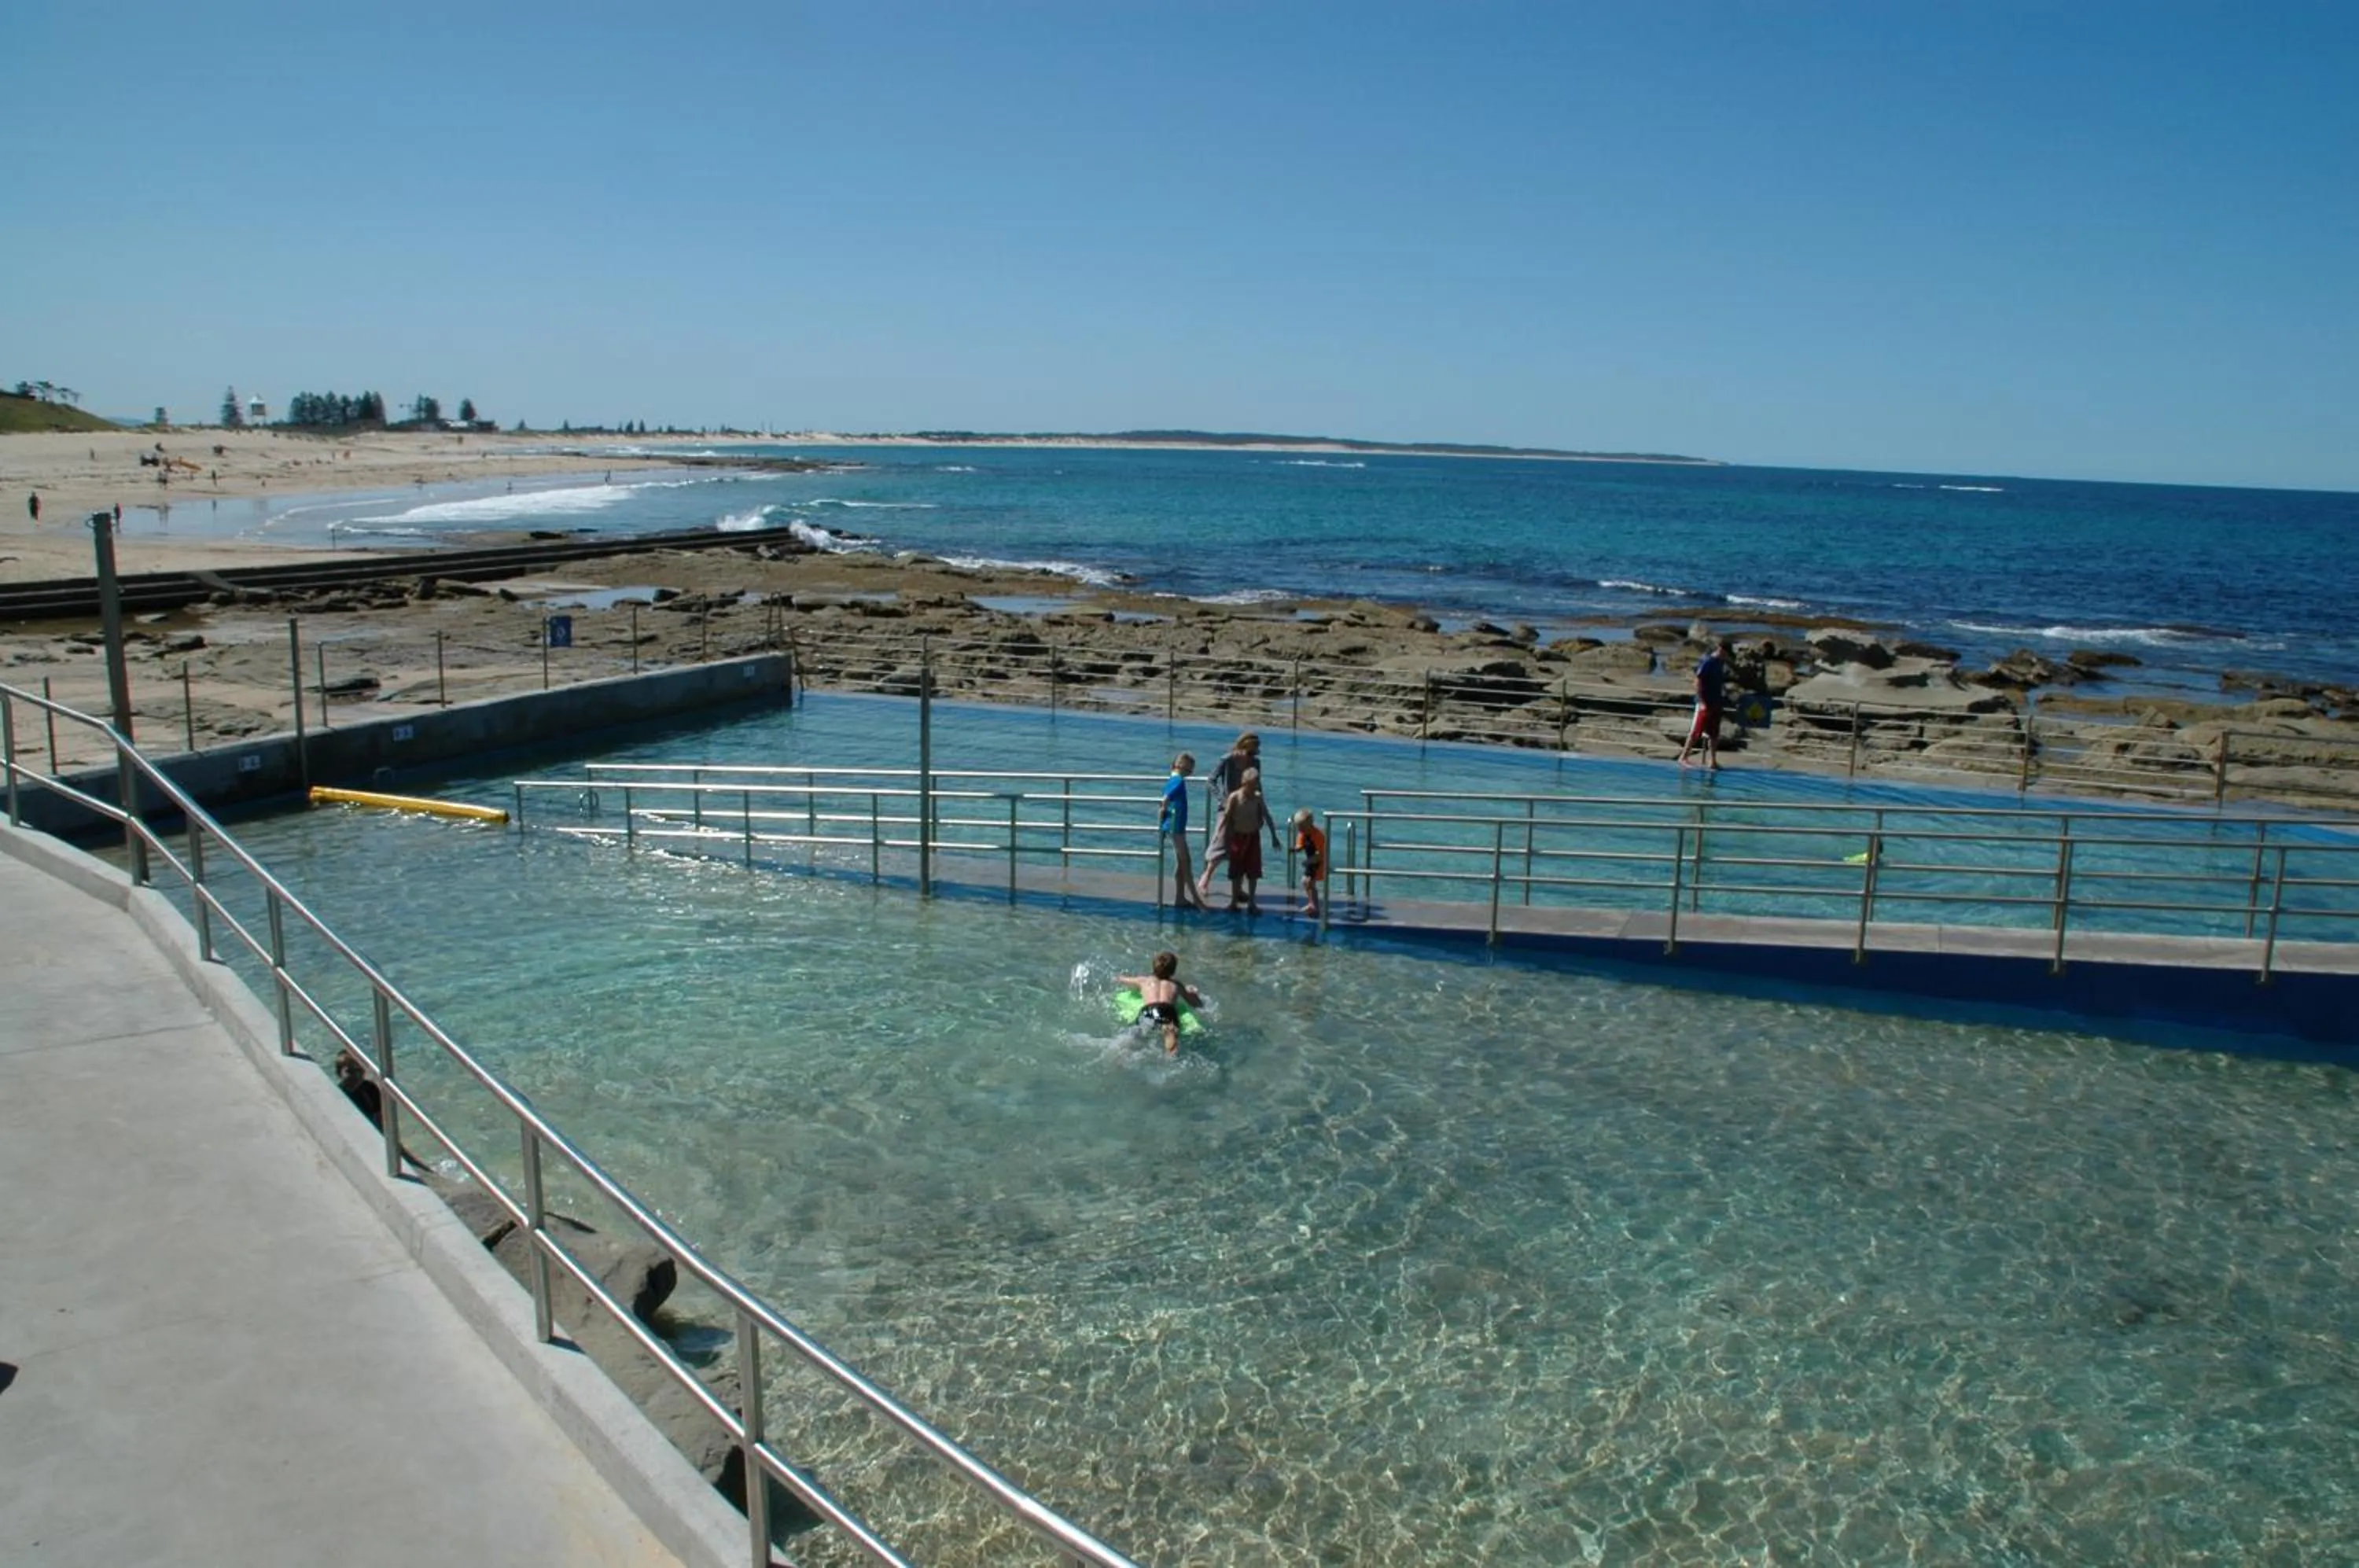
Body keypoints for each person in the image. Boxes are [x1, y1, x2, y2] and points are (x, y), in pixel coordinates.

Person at [1195, 731, 1261, 899]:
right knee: (1221, 842)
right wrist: (1222, 800)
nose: (1254, 752)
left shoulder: (1256, 763)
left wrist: (1260, 809)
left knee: (1242, 848)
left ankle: (1237, 889)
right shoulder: (1227, 760)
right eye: (1252, 748)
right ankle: (1205, 879)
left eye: (1256, 749)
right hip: (1227, 808)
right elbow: (1211, 781)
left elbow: (1258, 786)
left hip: (1247, 809)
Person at [1213, 766, 1283, 913]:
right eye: (1250, 786)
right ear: (1244, 783)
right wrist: (1220, 835)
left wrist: (1274, 837)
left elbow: (1266, 815)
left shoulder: (1257, 797)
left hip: (1253, 836)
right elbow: (1227, 817)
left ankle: (1252, 903)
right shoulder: (1235, 797)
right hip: (1237, 836)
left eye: (1255, 785)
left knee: (1253, 870)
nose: (1252, 789)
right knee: (1236, 870)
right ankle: (1233, 901)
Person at [1117, 951, 1204, 1055]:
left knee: (1137, 1035)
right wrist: (1193, 993)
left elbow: (1122, 979)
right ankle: (1170, 1058)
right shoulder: (1176, 984)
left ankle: (1119, 1055)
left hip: (1149, 1010)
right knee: (1170, 1040)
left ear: (1154, 967)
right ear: (1173, 971)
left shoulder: (1143, 981)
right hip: (1168, 1011)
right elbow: (1195, 1003)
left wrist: (1120, 978)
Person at [1160, 753, 1210, 911]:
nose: (1191, 774)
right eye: (1190, 771)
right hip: (1175, 827)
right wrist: (1162, 820)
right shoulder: (1178, 781)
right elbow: (1165, 801)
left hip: (1177, 826)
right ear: (1181, 766)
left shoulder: (1173, 780)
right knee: (1186, 862)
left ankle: (1180, 897)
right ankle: (1196, 899)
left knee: (1181, 864)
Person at [1677, 637, 1734, 771]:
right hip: (1705, 702)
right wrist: (1702, 701)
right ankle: (1683, 757)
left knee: (1714, 733)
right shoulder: (1708, 661)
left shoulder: (1720, 663)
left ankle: (1713, 760)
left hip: (1716, 701)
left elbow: (1720, 681)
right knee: (1696, 730)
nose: (1726, 656)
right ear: (1720, 650)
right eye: (1725, 653)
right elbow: (1698, 681)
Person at [1290, 808, 1327, 919]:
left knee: (1309, 882)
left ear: (1310, 825)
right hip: (1311, 860)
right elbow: (1300, 845)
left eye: (1302, 827)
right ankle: (1312, 904)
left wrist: (1309, 861)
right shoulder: (1303, 833)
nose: (1300, 830)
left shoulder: (1318, 835)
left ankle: (1314, 906)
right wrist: (1295, 849)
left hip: (1319, 861)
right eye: (1298, 827)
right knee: (1306, 882)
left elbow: (1321, 854)